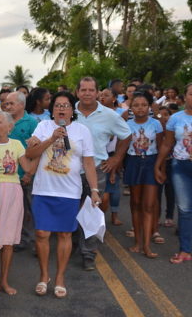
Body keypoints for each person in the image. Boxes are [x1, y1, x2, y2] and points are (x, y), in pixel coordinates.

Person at [26, 91, 99, 298]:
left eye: (66, 105)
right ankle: (44, 276)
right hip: (43, 189)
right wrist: (51, 138)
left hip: (69, 191)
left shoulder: (82, 130)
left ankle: (59, 278)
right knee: (42, 234)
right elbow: (30, 154)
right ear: (52, 109)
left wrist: (94, 190)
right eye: (57, 105)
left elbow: (88, 162)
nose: (61, 109)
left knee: (65, 234)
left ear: (72, 110)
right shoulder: (43, 127)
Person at [75, 76, 131, 271]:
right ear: (77, 92)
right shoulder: (67, 112)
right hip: (69, 170)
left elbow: (127, 136)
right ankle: (74, 243)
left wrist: (116, 159)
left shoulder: (109, 115)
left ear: (97, 92)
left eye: (91, 90)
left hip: (97, 168)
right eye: (84, 90)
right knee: (72, 209)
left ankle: (88, 253)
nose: (87, 93)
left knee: (92, 211)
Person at [0, 111, 32, 295]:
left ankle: (3, 282)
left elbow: (28, 168)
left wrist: (39, 149)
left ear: (9, 127)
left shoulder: (16, 144)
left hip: (12, 194)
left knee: (8, 241)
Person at [155, 83, 192, 264]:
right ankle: (185, 250)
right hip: (181, 167)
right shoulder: (175, 119)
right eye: (191, 94)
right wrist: (159, 166)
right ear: (185, 97)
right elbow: (167, 144)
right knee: (184, 209)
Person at [124, 91, 163, 258]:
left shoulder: (157, 124)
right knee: (135, 202)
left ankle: (147, 246)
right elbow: (122, 148)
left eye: (144, 105)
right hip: (133, 162)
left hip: (151, 163)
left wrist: (161, 169)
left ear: (149, 107)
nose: (140, 108)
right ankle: (138, 242)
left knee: (148, 205)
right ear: (131, 107)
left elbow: (162, 149)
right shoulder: (126, 124)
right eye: (136, 105)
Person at [5, 91, 38, 248]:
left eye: (11, 103)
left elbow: (37, 150)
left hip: (26, 173)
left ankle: (32, 241)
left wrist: (29, 173)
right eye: (6, 103)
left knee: (30, 209)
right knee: (12, 210)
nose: (7, 106)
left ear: (22, 105)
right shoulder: (3, 121)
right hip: (7, 176)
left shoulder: (32, 122)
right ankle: (12, 240)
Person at [99, 88, 125, 225]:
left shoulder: (118, 115)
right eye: (101, 95)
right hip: (98, 156)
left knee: (113, 187)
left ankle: (114, 214)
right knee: (102, 194)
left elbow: (123, 137)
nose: (102, 97)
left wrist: (118, 158)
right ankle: (98, 219)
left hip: (112, 154)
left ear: (114, 98)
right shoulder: (96, 114)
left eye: (106, 95)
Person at [155, 106, 175, 228]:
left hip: (172, 163)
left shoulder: (174, 132)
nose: (163, 118)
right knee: (157, 192)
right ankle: (156, 216)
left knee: (171, 191)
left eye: (166, 115)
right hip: (158, 163)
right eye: (160, 115)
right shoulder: (157, 132)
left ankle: (169, 216)